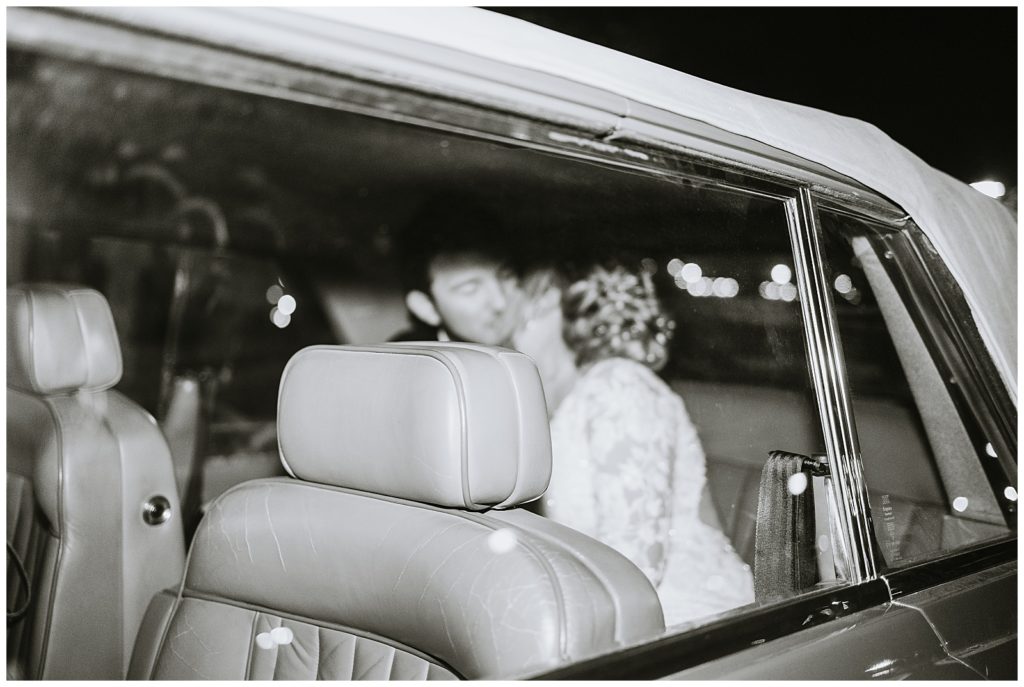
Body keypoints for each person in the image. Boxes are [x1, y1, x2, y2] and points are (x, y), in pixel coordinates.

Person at [512, 261, 754, 626]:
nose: (508, 316)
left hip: (684, 620)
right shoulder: (560, 408)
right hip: (616, 615)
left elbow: (636, 565)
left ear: (555, 308)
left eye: (529, 304)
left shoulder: (620, 386)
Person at [394, 195, 523, 345]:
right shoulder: (409, 363)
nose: (500, 303)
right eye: (470, 288)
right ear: (427, 308)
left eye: (507, 276)